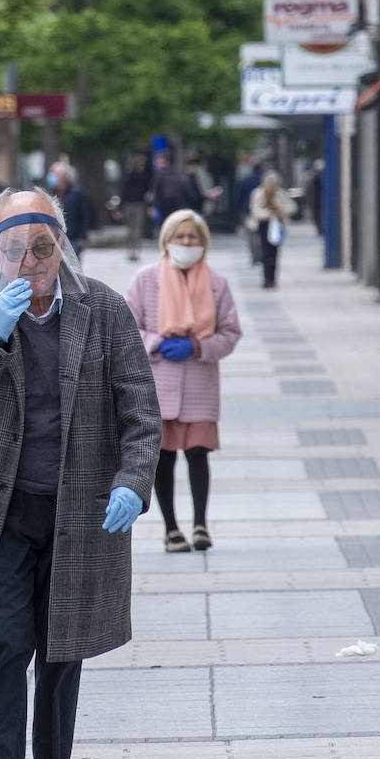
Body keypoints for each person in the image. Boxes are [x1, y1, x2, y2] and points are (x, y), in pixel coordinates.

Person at [0, 188, 161, 759]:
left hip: (81, 508)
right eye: (14, 250)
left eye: (41, 247)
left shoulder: (104, 310)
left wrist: (132, 483)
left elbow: (141, 412)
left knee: (64, 648)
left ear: (61, 244)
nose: (29, 262)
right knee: (7, 641)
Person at [123, 210, 242, 552]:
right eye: (181, 237)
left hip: (200, 382)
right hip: (159, 382)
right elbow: (128, 329)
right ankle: (171, 529)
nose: (187, 243)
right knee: (163, 457)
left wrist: (198, 345)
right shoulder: (145, 279)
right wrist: (158, 342)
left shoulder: (217, 283)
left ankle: (201, 525)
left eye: (193, 237)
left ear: (203, 243)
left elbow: (230, 333)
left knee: (198, 454)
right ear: (167, 240)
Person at [248, 170, 296, 289]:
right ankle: (266, 278)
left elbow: (292, 207)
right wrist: (268, 214)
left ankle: (272, 279)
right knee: (265, 252)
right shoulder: (258, 194)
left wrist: (281, 212)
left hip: (277, 225)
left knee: (274, 253)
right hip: (263, 225)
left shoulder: (280, 194)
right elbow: (255, 211)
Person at [47, 161, 91, 254]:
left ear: (63, 176)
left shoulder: (77, 193)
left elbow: (84, 216)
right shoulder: (49, 194)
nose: (51, 176)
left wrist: (82, 237)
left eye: (54, 173)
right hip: (54, 240)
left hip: (72, 239)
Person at [118, 154, 150, 262]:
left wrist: (120, 207)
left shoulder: (127, 177)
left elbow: (123, 192)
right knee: (137, 228)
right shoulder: (144, 177)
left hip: (128, 205)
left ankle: (130, 250)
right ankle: (136, 250)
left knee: (130, 229)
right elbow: (146, 192)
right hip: (139, 204)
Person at [151, 150, 191, 223]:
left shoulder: (159, 174)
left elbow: (156, 191)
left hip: (165, 204)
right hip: (179, 204)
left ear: (163, 160)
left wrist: (153, 206)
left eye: (158, 159)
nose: (156, 161)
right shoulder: (178, 172)